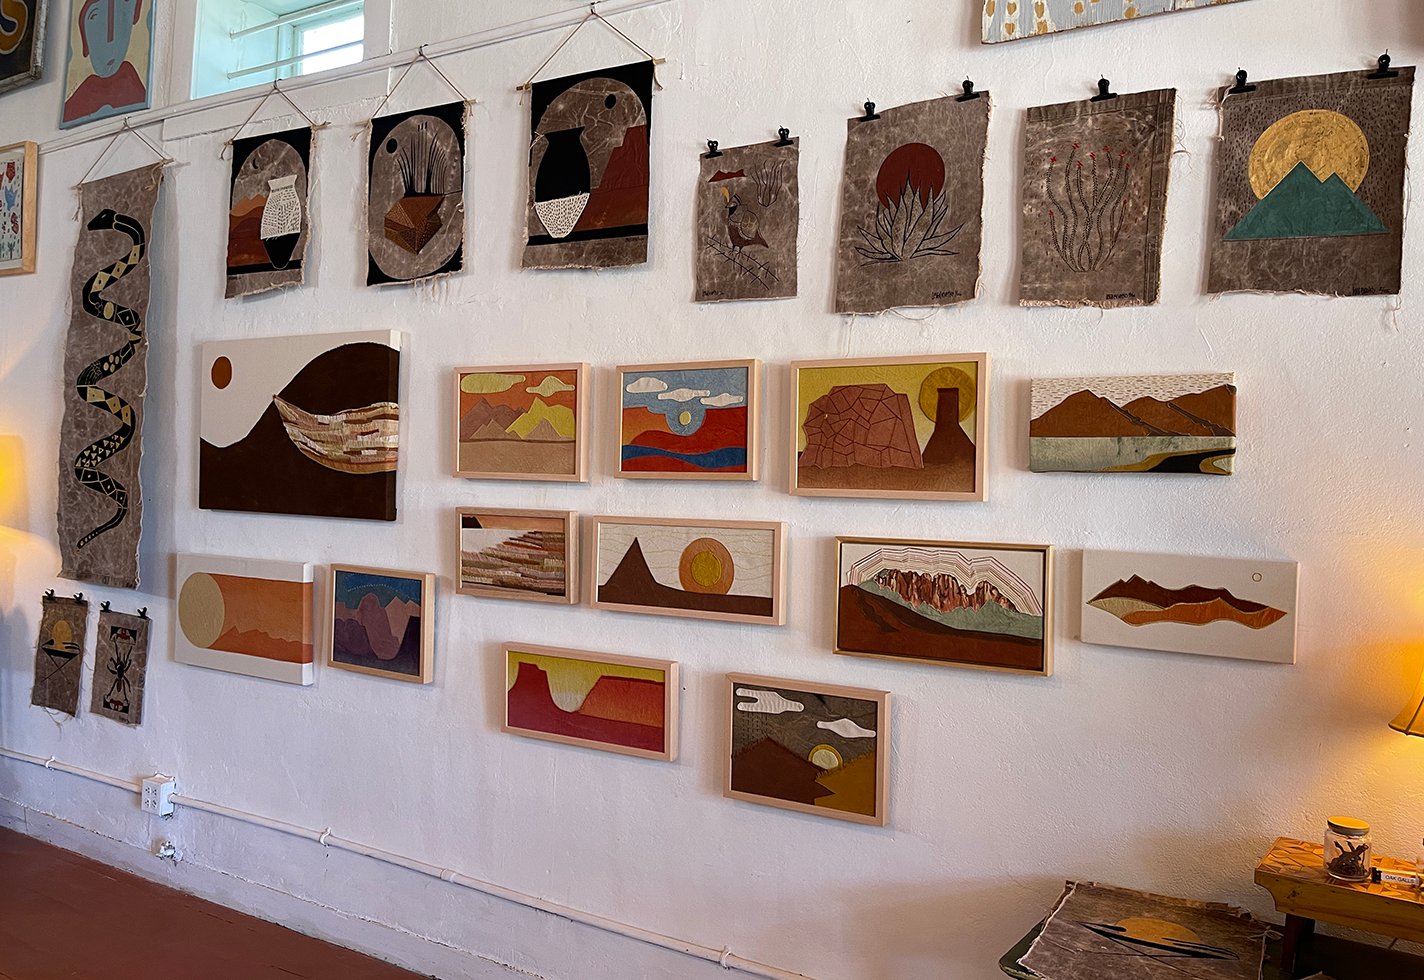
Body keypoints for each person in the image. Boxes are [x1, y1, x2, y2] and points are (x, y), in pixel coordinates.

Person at [62, 0, 146, 125]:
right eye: (94, 17)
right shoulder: (75, 105)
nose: (110, 38)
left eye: (120, 12)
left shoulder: (135, 90)